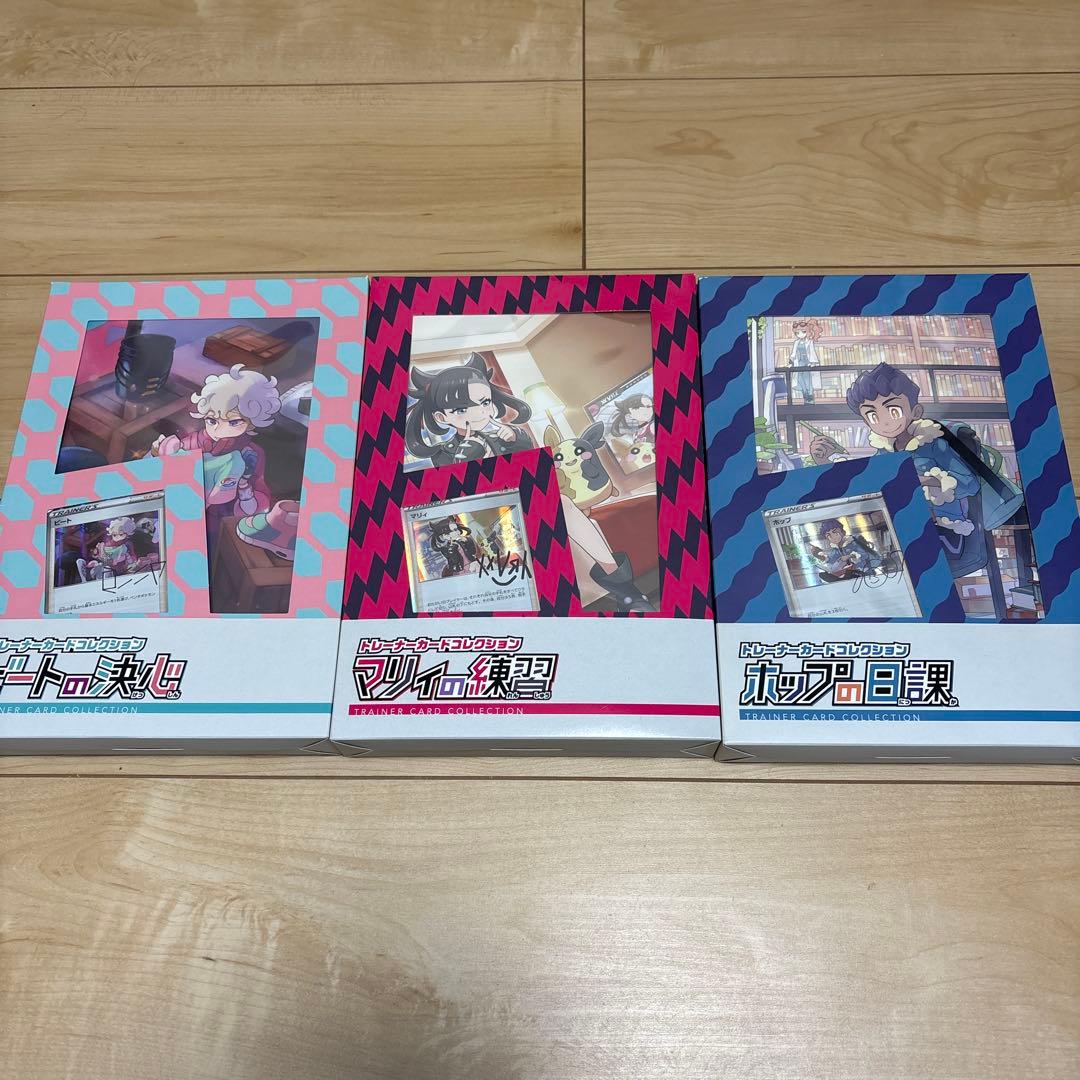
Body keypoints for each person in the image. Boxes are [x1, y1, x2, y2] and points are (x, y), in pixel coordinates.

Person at [405, 353, 534, 467]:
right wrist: (465, 459)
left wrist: (515, 437)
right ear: (441, 417)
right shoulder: (443, 453)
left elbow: (530, 460)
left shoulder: (500, 437)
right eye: (461, 410)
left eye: (485, 403)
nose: (479, 412)